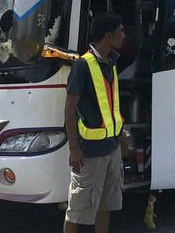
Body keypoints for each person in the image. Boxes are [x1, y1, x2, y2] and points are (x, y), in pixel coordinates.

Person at [64, 13, 126, 233]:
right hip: (90, 153)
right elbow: (70, 108)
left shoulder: (111, 63)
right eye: (120, 31)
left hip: (111, 148)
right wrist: (73, 149)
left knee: (105, 206)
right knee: (78, 210)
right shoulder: (83, 65)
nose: (124, 36)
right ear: (108, 36)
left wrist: (121, 135)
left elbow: (111, 107)